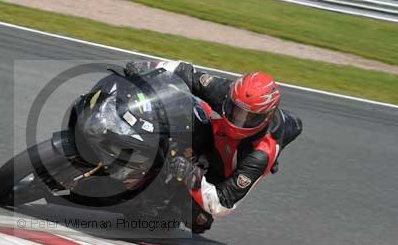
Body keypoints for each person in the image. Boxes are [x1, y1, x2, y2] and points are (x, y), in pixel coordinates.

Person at [124, 60, 303, 233]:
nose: (238, 119)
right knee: (182, 104)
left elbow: (223, 204)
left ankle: (155, 207)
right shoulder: (227, 92)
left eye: (248, 117)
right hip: (214, 136)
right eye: (235, 110)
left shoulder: (260, 155)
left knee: (197, 219)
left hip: (220, 173)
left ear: (266, 117)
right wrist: (148, 68)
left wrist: (191, 176)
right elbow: (185, 72)